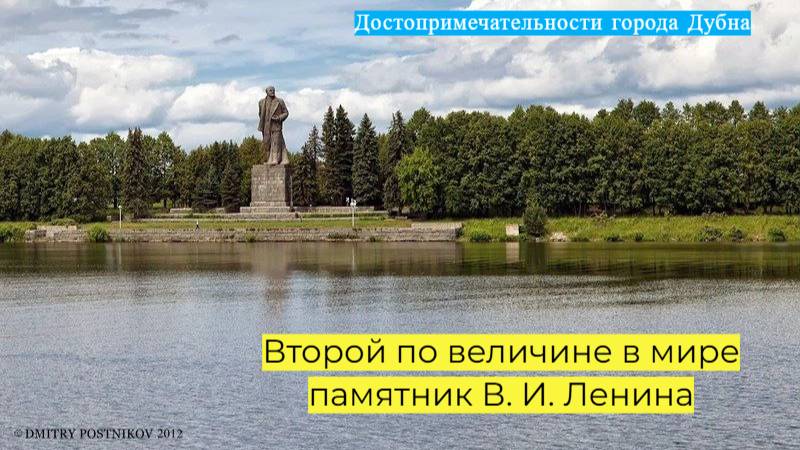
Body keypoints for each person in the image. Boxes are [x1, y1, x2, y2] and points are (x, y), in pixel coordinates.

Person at [258, 86, 290, 165]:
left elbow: (286, 113)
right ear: (266, 92)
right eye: (270, 90)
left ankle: (275, 159)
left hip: (276, 125)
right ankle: (270, 159)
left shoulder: (279, 101)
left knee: (276, 142)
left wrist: (279, 118)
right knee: (267, 144)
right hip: (265, 127)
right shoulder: (261, 102)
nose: (272, 91)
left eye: (273, 90)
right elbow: (260, 114)